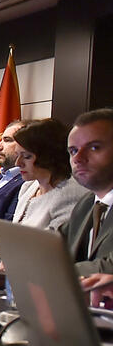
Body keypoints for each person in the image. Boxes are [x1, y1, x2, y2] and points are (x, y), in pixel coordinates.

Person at [0, 119, 86, 248]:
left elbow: (52, 250)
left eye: (26, 156)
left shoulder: (71, 193)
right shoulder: (29, 186)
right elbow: (16, 238)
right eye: (18, 155)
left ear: (48, 156)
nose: (18, 163)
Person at [61, 109, 113, 275]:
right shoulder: (87, 202)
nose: (78, 158)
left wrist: (49, 270)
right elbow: (53, 245)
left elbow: (109, 268)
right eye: (73, 151)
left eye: (94, 147)